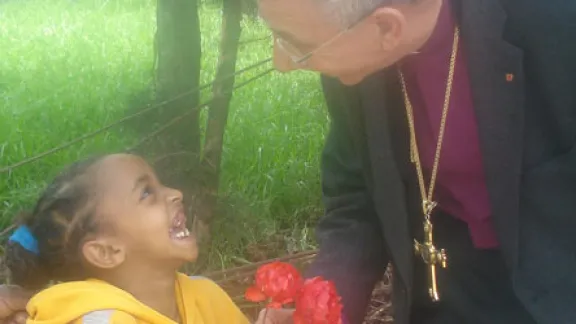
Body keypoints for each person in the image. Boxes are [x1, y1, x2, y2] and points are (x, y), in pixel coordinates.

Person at [254, 0, 576, 323]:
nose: (281, 63)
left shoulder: (556, 23)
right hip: (446, 286)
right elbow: (356, 198)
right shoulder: (355, 61)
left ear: (387, 27)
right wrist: (318, 307)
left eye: (298, 47)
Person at [0, 154, 250, 323]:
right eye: (146, 193)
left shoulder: (206, 296)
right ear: (106, 251)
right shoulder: (101, 319)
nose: (176, 193)